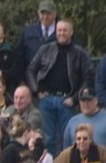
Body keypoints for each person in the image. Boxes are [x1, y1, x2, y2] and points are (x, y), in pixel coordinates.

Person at [26, 19, 93, 155]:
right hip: (46, 99)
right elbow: (31, 70)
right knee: (48, 138)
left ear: (71, 32)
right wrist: (36, 90)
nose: (61, 33)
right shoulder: (46, 49)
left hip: (67, 101)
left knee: (67, 138)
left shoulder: (80, 53)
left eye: (65, 30)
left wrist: (75, 99)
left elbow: (89, 77)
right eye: (59, 30)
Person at [17, 0, 58, 71]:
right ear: (38, 14)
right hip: (31, 76)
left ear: (55, 14)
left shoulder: (63, 31)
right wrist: (21, 80)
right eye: (42, 13)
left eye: (48, 13)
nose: (45, 17)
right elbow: (19, 57)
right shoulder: (28, 32)